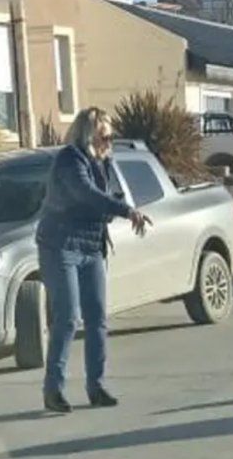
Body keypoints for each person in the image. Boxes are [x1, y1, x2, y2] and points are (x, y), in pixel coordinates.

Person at [36, 107, 151, 413]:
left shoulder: (103, 163)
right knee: (67, 317)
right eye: (104, 137)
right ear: (88, 136)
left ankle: (96, 386)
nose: (108, 142)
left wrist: (122, 207)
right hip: (60, 245)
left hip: (91, 247)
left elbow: (107, 197)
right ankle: (53, 390)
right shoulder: (69, 160)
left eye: (110, 137)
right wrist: (125, 211)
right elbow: (86, 194)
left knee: (97, 317)